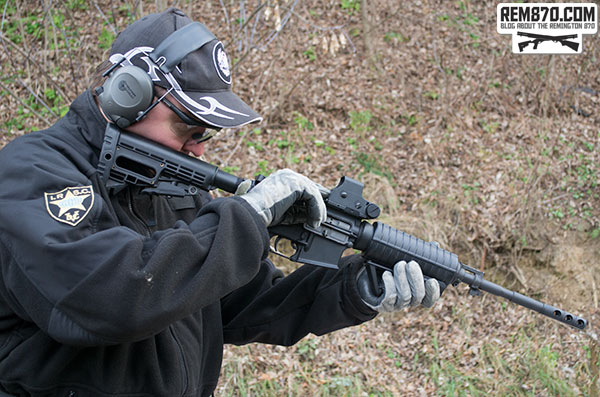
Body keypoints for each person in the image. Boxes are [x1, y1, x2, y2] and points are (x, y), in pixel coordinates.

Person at [0, 8, 440, 396]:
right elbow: (111, 297)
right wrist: (244, 218)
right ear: (125, 95)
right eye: (188, 128)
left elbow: (241, 304)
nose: (199, 150)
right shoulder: (33, 173)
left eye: (206, 135)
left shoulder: (170, 185)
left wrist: (353, 290)